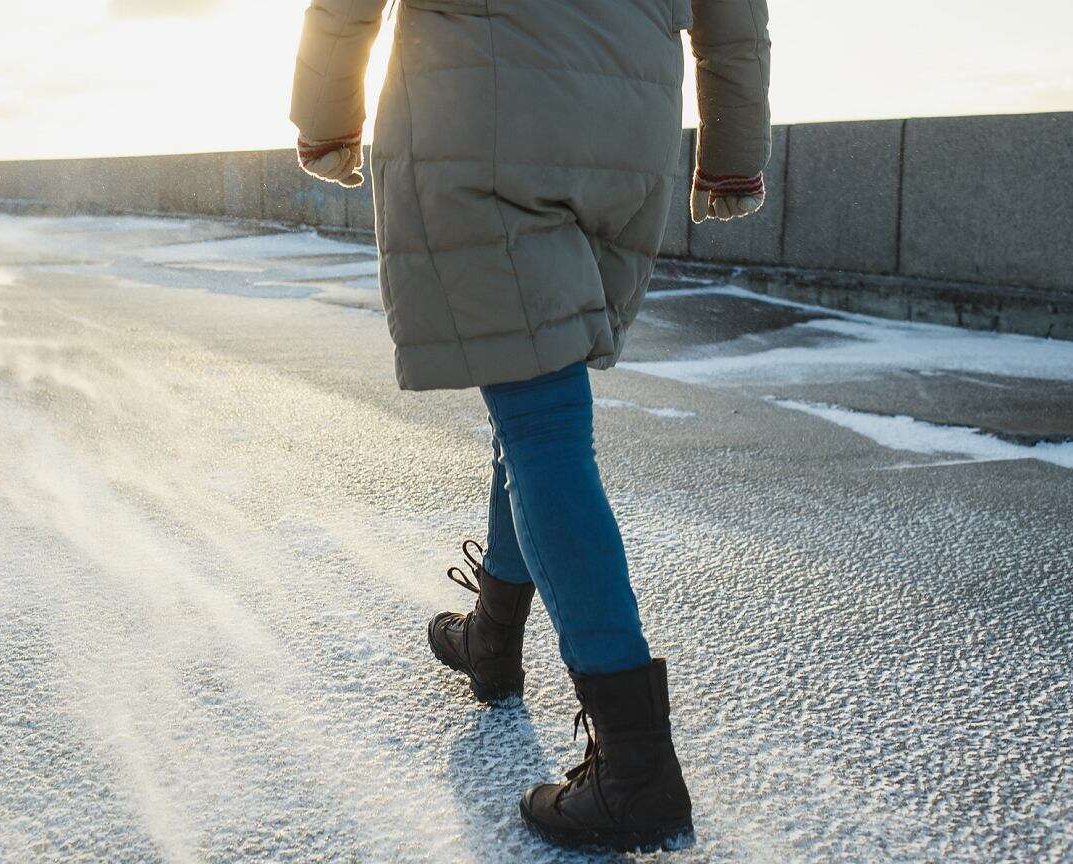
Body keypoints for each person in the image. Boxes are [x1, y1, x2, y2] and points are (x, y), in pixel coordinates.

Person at [291, 0, 771, 853]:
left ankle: (637, 772)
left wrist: (327, 119)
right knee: (531, 400)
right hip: (626, 133)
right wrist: (731, 158)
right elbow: (733, 14)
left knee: (542, 421)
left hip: (478, 121)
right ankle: (493, 637)